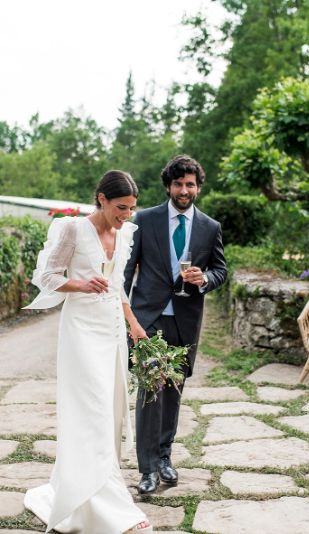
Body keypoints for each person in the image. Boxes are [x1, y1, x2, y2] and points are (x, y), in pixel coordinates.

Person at [22, 170, 152, 534]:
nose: (126, 215)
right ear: (101, 199)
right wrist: (79, 284)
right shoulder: (72, 230)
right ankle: (105, 508)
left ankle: (95, 488)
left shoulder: (125, 233)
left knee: (109, 410)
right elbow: (47, 276)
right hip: (80, 329)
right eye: (120, 207)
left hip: (111, 328)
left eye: (131, 208)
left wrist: (133, 323)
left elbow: (118, 285)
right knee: (91, 409)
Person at [123, 155, 227, 494]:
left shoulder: (210, 227)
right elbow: (126, 271)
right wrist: (122, 317)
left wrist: (205, 279)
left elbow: (221, 271)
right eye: (179, 184)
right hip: (147, 319)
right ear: (169, 185)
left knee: (173, 392)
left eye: (190, 184)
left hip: (185, 321)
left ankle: (165, 457)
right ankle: (147, 469)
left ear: (197, 187)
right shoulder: (145, 220)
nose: (185, 190)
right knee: (149, 392)